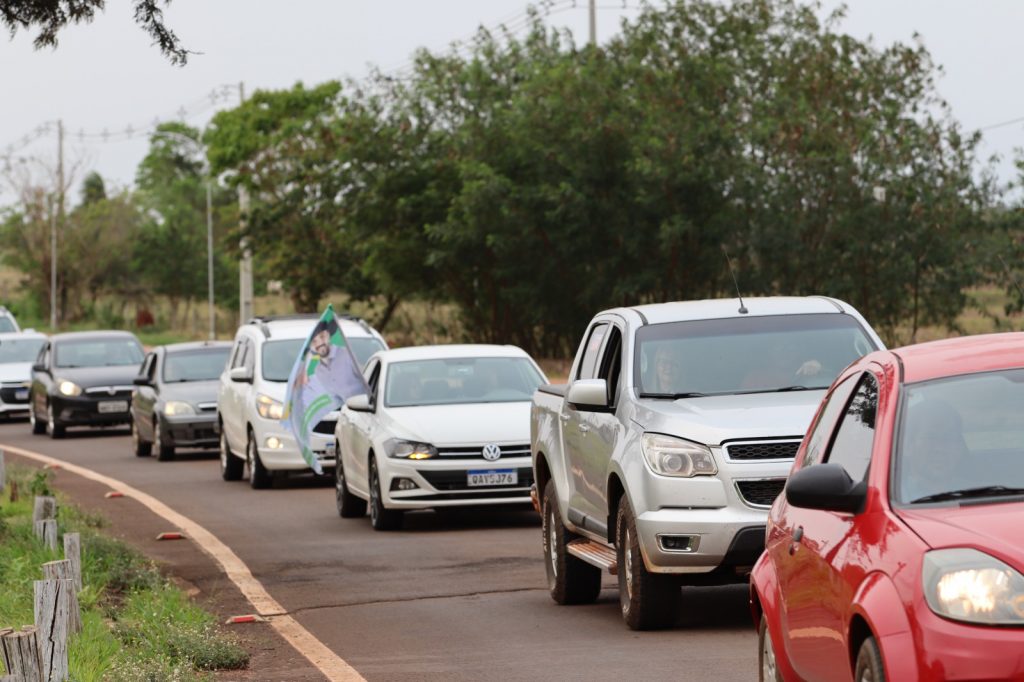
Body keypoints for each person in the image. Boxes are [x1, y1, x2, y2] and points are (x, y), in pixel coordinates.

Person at [899, 400, 971, 503]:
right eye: (931, 438)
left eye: (948, 438)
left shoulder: (981, 494)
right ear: (907, 447)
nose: (940, 448)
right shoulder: (894, 500)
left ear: (959, 448)